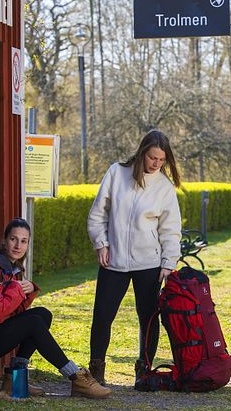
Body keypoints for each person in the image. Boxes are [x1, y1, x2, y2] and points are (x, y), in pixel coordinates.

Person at [0, 218, 112, 399]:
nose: (18, 246)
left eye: (23, 241)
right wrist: (16, 290)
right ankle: (75, 376)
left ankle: (15, 380)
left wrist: (29, 290)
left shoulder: (11, 269)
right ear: (4, 240)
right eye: (13, 239)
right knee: (33, 323)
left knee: (42, 315)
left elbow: (13, 313)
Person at [87, 129, 183, 386]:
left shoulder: (164, 187)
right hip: (113, 261)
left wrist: (168, 263)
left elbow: (171, 229)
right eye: (153, 158)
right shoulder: (116, 173)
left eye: (162, 160)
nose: (156, 164)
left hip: (149, 265)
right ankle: (96, 370)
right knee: (102, 316)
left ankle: (145, 369)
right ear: (142, 153)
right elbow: (98, 214)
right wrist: (101, 244)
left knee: (149, 319)